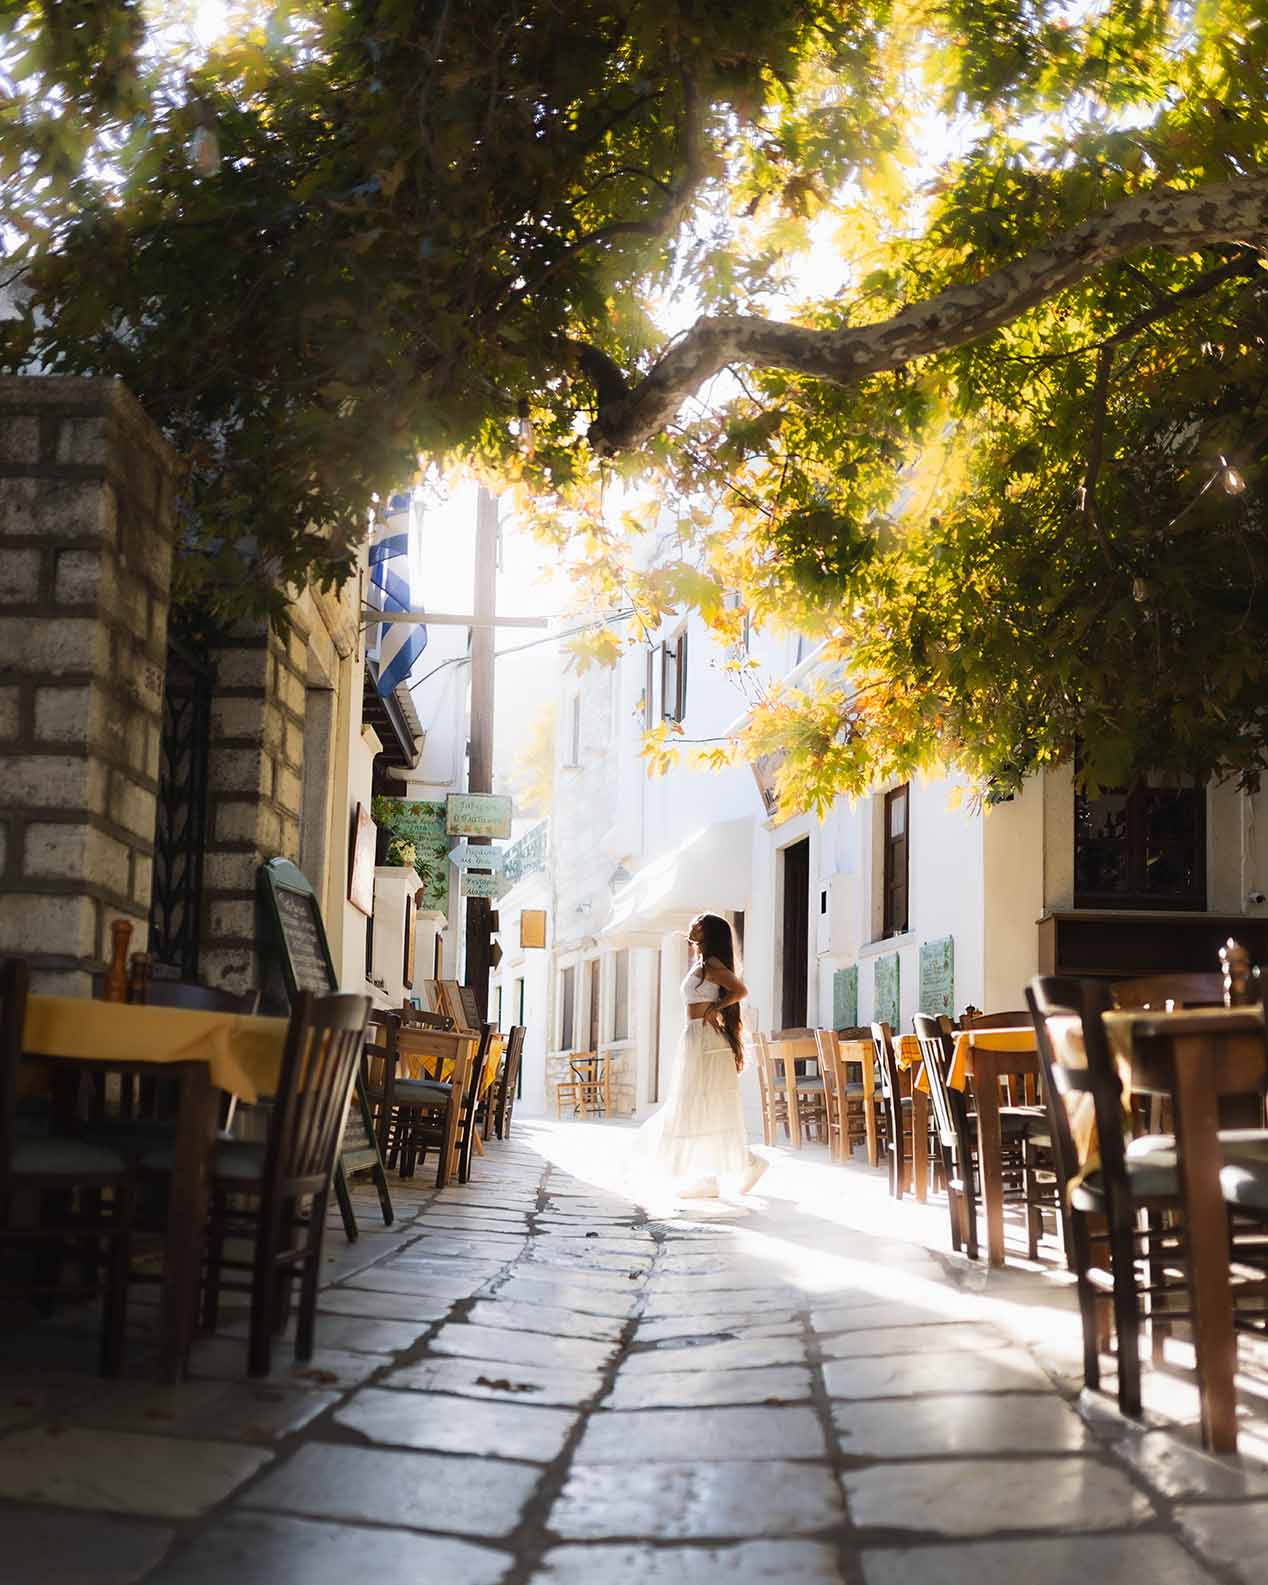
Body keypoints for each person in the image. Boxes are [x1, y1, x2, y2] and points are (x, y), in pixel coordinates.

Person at [628, 912, 768, 1199]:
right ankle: (710, 1177)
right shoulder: (701, 965)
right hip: (695, 1037)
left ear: (710, 934)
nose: (692, 929)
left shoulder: (713, 965)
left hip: (705, 1039)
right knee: (697, 1104)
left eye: (699, 926)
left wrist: (717, 1007)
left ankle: (738, 1167)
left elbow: (740, 989)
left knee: (702, 1103)